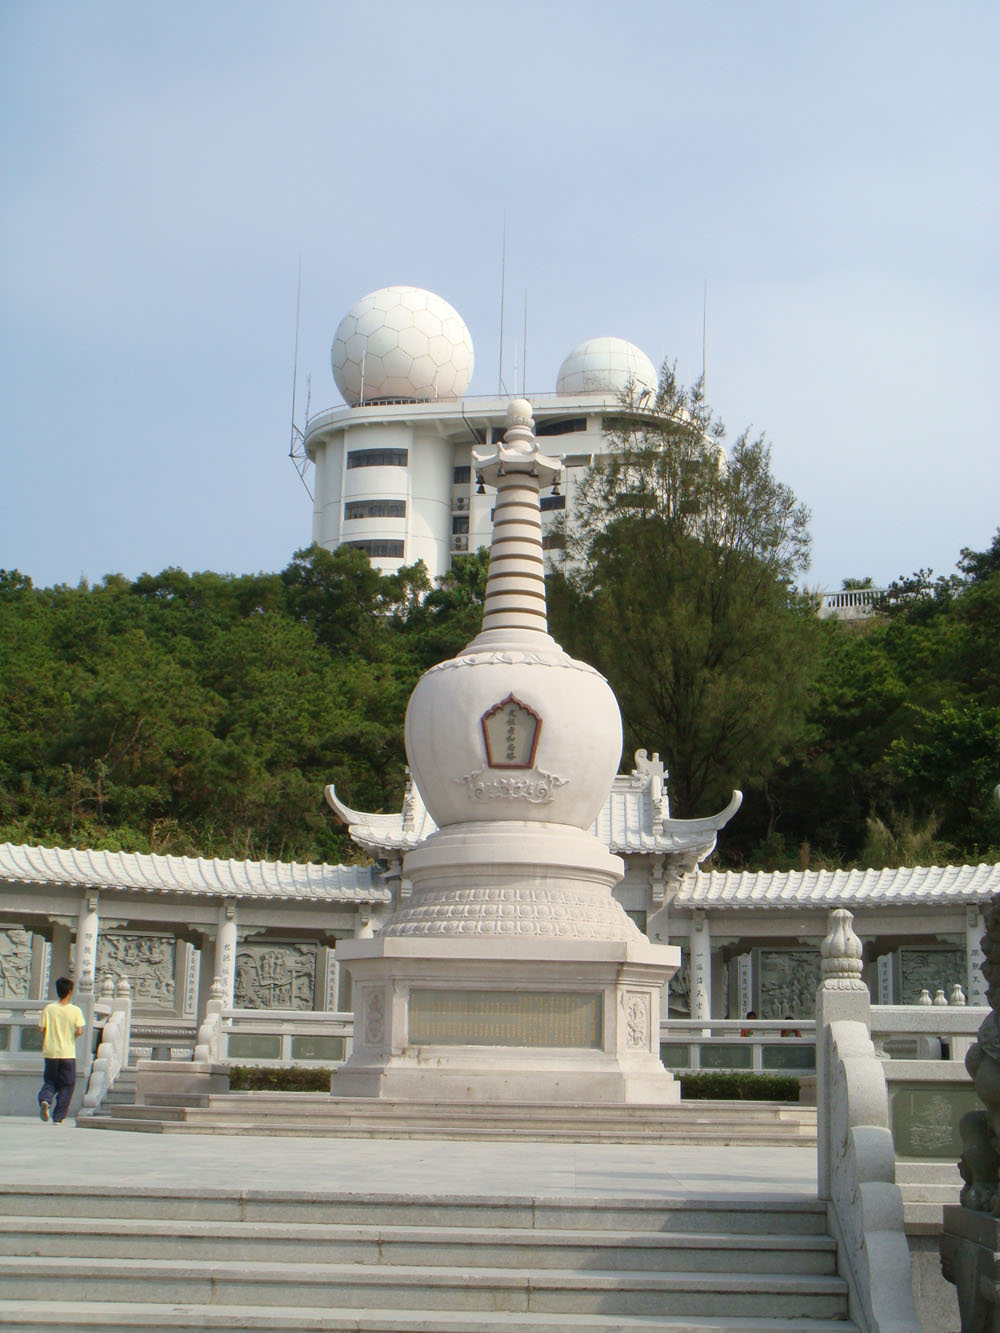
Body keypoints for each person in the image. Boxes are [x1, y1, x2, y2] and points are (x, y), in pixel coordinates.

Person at [37, 976, 85, 1125]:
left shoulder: (49, 1008)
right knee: (67, 1084)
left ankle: (45, 1099)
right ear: (70, 992)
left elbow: (40, 1028)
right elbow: (80, 1031)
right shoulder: (75, 1010)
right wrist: (71, 1036)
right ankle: (58, 1117)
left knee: (50, 1081)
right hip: (67, 1053)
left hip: (50, 1052)